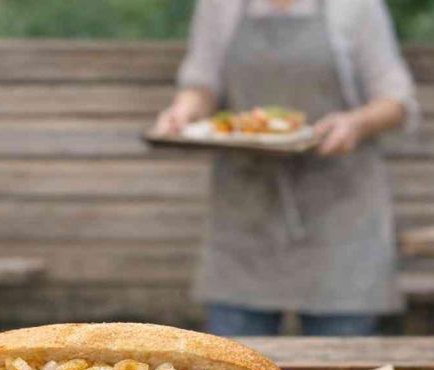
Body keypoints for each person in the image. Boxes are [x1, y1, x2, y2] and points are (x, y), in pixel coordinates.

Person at [154, 0, 419, 336]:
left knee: (341, 366)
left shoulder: (354, 7)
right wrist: (184, 111)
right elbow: (202, 84)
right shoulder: (220, 6)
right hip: (244, 216)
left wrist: (355, 124)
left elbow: (396, 100)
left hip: (338, 215)